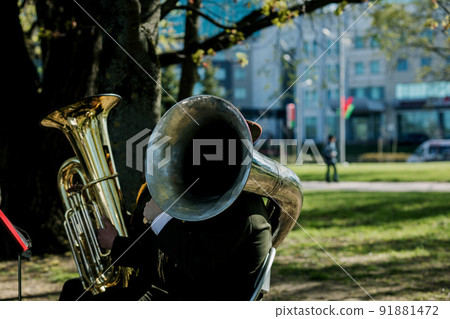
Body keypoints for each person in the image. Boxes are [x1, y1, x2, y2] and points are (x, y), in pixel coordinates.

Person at [59, 120, 273, 301]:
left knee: (76, 296)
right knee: (74, 290)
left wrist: (155, 223)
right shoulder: (216, 198)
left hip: (195, 297)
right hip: (180, 290)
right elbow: (167, 250)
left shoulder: (236, 206)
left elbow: (191, 265)